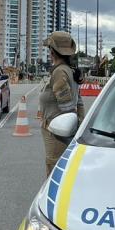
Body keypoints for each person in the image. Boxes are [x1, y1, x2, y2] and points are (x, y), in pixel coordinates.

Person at [39, 31, 86, 174]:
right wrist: (79, 122)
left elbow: (66, 106)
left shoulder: (60, 72)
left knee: (54, 170)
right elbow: (78, 101)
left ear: (52, 51)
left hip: (57, 132)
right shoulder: (68, 70)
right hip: (63, 130)